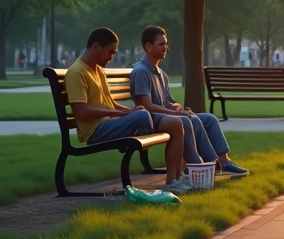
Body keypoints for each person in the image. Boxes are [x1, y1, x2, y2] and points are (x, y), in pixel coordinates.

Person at [67, 28, 191, 193]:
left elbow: (110, 103)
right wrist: (124, 114)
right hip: (95, 130)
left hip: (109, 124)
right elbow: (81, 112)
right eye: (110, 52)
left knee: (175, 123)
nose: (112, 57)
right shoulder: (77, 72)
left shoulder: (97, 70)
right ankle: (173, 178)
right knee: (143, 115)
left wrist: (129, 111)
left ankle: (174, 180)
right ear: (96, 46)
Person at [131, 26, 250, 178]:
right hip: (151, 119)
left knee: (209, 119)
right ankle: (201, 166)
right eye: (161, 44)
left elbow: (168, 102)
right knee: (189, 120)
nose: (166, 47)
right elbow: (146, 106)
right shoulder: (141, 71)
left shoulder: (161, 73)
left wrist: (181, 109)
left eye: (166, 44)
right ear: (148, 46)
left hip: (167, 116)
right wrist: (176, 113)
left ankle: (223, 162)